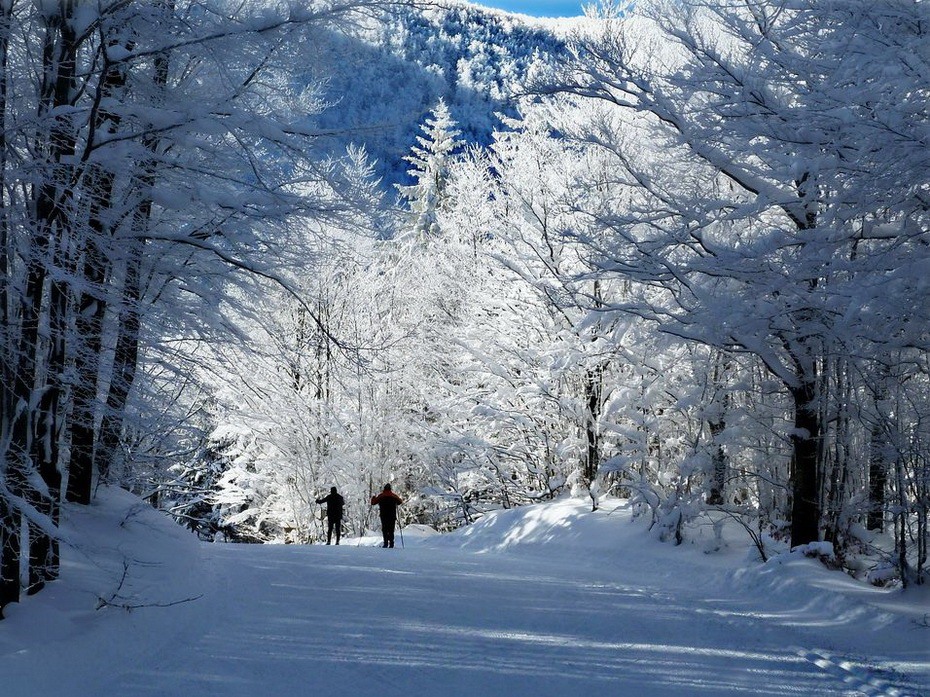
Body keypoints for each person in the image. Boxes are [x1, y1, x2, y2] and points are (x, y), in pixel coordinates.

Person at [370, 484, 403, 548]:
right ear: (390, 489)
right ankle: (391, 544)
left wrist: (373, 497)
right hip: (392, 516)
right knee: (391, 530)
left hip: (383, 515)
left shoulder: (381, 496)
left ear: (384, 489)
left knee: (385, 529)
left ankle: (385, 543)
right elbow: (400, 502)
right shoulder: (394, 496)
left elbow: (373, 503)